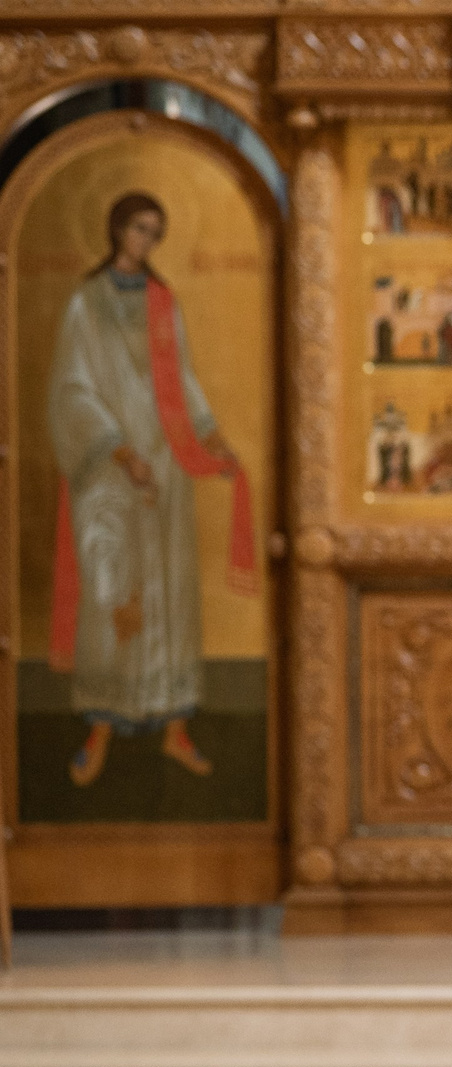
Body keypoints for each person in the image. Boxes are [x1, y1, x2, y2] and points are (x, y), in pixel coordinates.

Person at [47, 192, 255, 787]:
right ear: (117, 229)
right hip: (108, 471)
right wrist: (118, 449)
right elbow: (71, 389)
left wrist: (211, 436)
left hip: (163, 466)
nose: (146, 241)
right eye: (140, 229)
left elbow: (182, 378)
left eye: (156, 232)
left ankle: (174, 730)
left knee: (168, 588)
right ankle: (101, 728)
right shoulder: (86, 303)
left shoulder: (164, 302)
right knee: (114, 591)